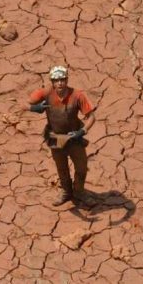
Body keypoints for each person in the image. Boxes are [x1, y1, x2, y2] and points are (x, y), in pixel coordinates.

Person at [25, 66, 96, 206]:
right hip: (56, 138)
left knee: (81, 167)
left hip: (74, 138)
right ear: (52, 81)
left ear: (67, 80)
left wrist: (82, 132)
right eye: (56, 80)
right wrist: (34, 108)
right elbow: (22, 104)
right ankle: (66, 191)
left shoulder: (77, 95)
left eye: (62, 79)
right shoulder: (45, 93)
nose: (60, 83)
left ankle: (79, 191)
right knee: (61, 167)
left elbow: (91, 117)